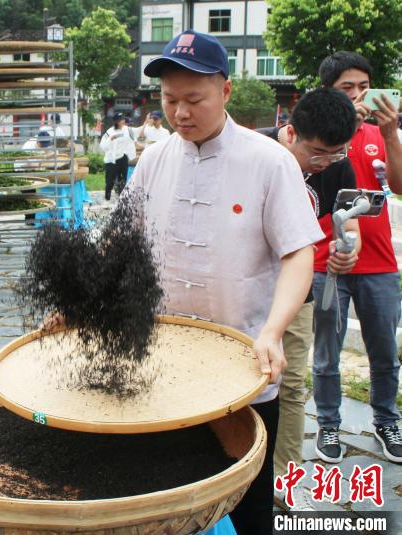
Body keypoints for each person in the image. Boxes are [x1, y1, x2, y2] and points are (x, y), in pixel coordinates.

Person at [130, 30, 323, 534]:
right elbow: (118, 244)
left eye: (194, 99)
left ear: (227, 91)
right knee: (166, 490)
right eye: (170, 100)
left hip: (246, 366)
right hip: (165, 362)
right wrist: (85, 298)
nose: (180, 113)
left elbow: (300, 252)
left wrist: (273, 331)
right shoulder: (153, 162)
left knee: (251, 499)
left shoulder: (269, 161)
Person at [257, 88, 360, 509]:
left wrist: (346, 249)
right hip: (245, 289)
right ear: (291, 132)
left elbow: (349, 226)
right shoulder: (258, 151)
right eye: (317, 153)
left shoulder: (340, 165)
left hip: (296, 294)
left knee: (292, 383)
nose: (325, 163)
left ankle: (282, 479)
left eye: (336, 154)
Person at [313, 51, 402, 464]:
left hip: (379, 263)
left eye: (364, 87)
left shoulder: (380, 134)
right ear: (328, 92)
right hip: (326, 260)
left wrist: (390, 134)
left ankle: (386, 419)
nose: (358, 95)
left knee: (384, 350)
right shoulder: (319, 135)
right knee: (327, 351)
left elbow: (398, 187)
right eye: (346, 88)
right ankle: (328, 423)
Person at [99, 112, 135, 201]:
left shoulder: (127, 129)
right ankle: (107, 198)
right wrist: (110, 139)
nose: (123, 121)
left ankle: (121, 198)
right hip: (112, 159)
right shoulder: (110, 132)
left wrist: (145, 124)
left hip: (123, 157)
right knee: (110, 180)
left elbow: (136, 133)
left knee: (123, 179)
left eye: (123, 119)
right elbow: (102, 146)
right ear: (116, 122)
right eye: (121, 120)